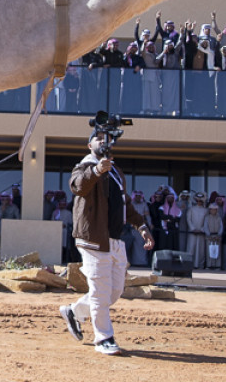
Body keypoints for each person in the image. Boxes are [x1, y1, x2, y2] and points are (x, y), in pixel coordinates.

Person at [58, 132, 154, 355]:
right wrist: (97, 170)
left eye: (106, 138)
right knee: (100, 292)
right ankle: (104, 338)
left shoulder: (116, 172)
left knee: (114, 292)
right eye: (98, 138)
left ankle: (74, 311)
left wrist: (141, 226)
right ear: (89, 144)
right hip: (92, 239)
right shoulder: (83, 166)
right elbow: (78, 187)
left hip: (115, 240)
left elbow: (125, 205)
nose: (103, 141)